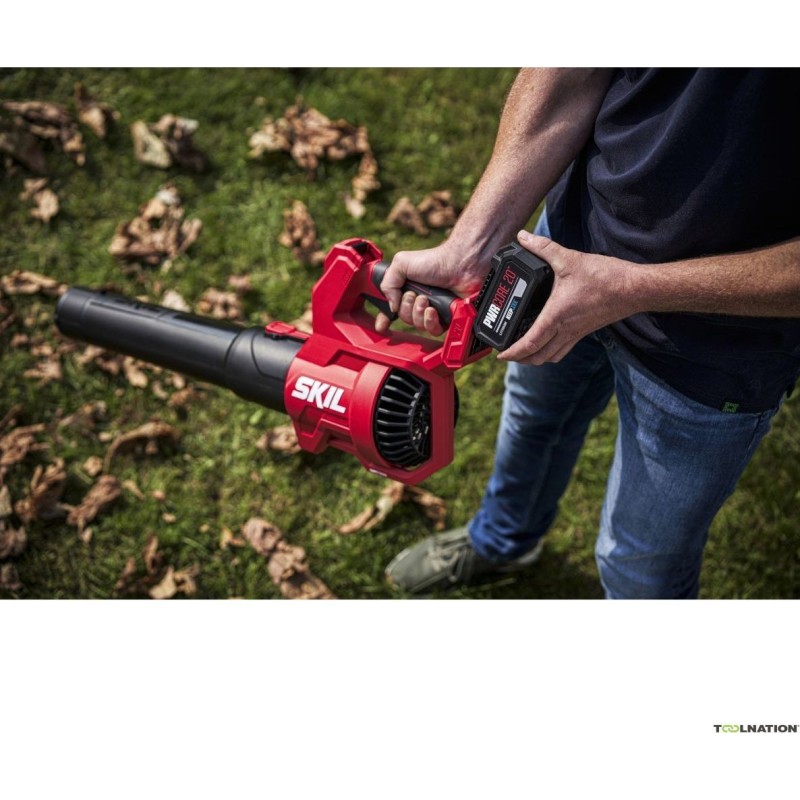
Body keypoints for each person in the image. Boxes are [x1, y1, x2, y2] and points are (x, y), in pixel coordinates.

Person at [374, 68, 800, 599]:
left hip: (717, 347)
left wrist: (631, 287)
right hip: (561, 257)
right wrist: (473, 244)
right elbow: (572, 71)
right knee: (535, 421)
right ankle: (504, 540)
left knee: (636, 565)